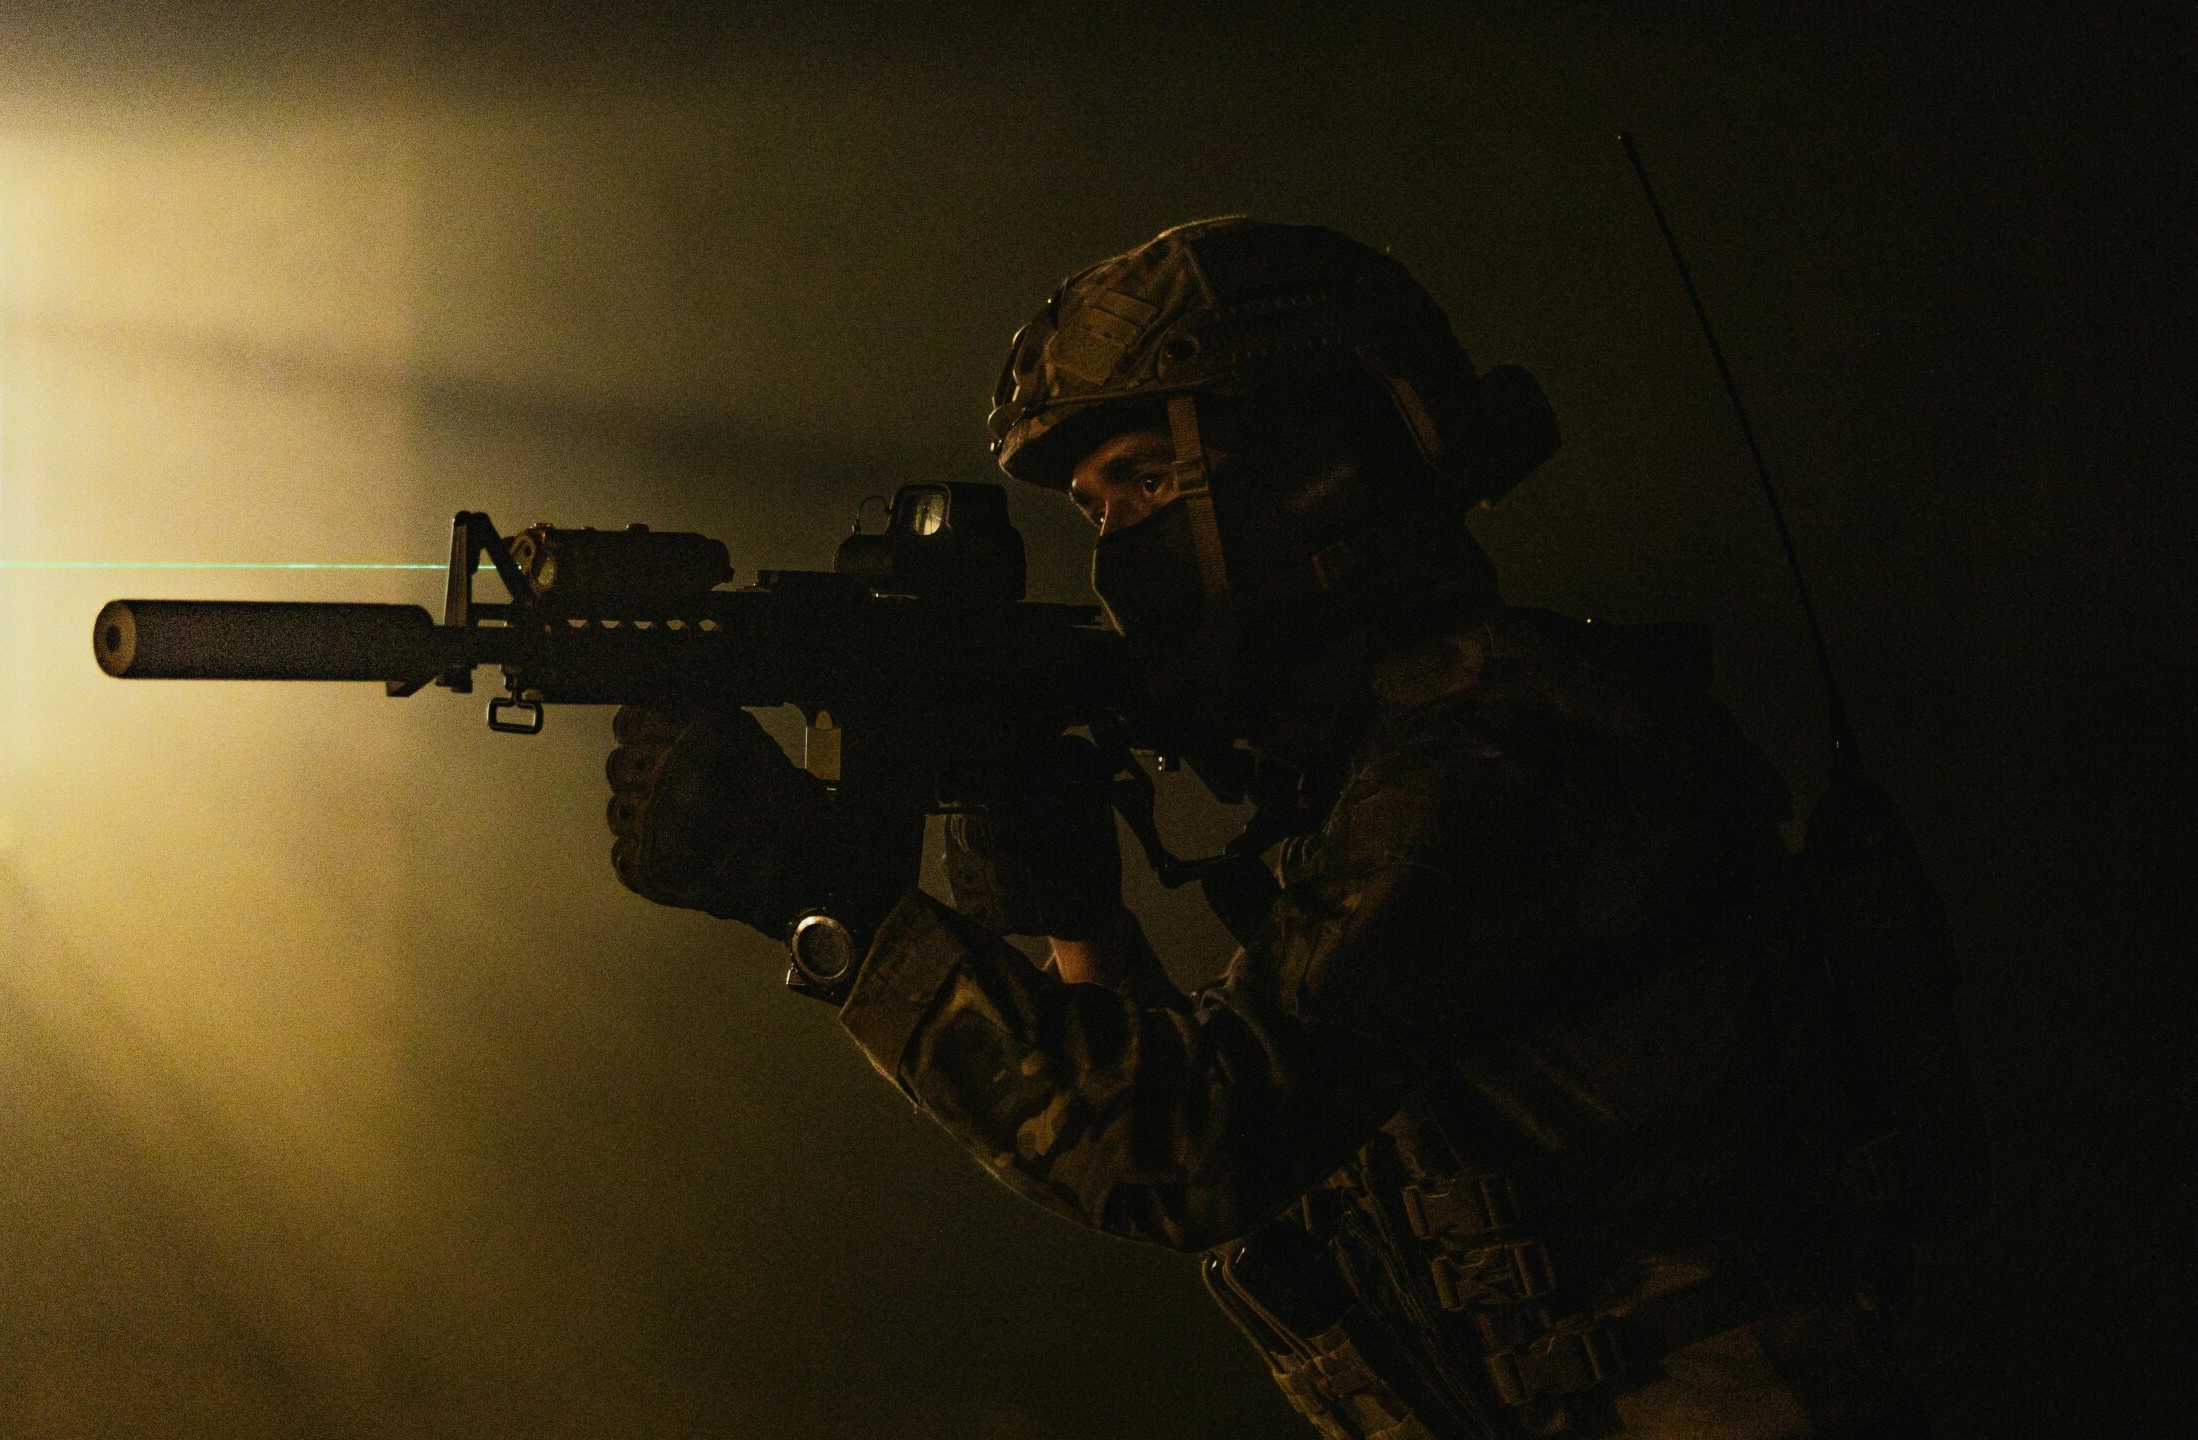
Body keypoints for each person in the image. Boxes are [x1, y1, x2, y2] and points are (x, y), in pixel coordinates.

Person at [601, 218, 1937, 1438]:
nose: (1115, 545)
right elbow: (1227, 1132)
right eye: (1091, 508)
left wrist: (823, 906)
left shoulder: (1494, 763)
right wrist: (1075, 920)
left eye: (1142, 479)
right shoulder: (1410, 759)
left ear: (1315, 469)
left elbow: (1192, 1150)